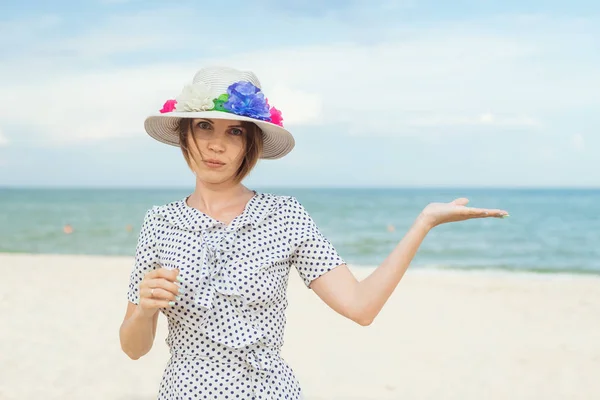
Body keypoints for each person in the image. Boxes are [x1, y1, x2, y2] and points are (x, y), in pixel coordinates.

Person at [118, 66, 509, 399]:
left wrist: (423, 223)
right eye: (204, 126)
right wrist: (145, 311)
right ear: (185, 134)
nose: (216, 144)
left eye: (234, 132)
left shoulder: (285, 216)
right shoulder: (160, 223)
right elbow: (134, 348)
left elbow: (360, 307)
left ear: (249, 144)